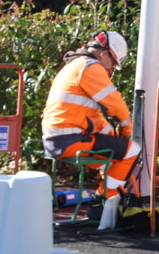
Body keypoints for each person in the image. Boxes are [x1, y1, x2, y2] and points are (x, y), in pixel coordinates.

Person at [43, 31, 141, 231]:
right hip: (70, 139)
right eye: (113, 64)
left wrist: (114, 137)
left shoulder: (76, 65)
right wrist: (127, 131)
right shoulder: (91, 67)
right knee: (132, 150)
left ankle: (105, 200)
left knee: (113, 158)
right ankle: (103, 201)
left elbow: (94, 118)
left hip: (60, 137)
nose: (111, 69)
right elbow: (116, 105)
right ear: (105, 54)